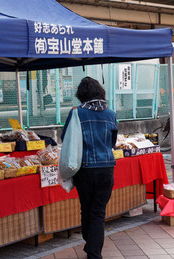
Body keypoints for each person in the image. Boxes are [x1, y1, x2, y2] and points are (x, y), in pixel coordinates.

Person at [61, 77, 118, 259]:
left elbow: (66, 138)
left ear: (81, 94)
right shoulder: (111, 113)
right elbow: (113, 142)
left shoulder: (77, 113)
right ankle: (92, 248)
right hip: (107, 167)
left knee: (86, 209)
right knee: (98, 212)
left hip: (84, 169)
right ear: (100, 92)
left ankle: (93, 252)